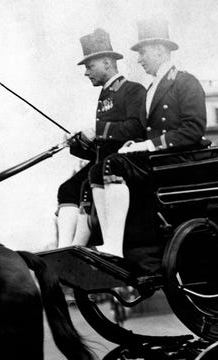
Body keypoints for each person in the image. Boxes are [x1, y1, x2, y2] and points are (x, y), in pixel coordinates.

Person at [88, 19, 207, 258]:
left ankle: (114, 246)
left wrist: (148, 144)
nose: (139, 59)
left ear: (161, 50)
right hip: (157, 160)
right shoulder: (152, 87)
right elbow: (147, 129)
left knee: (113, 165)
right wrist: (135, 144)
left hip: (177, 161)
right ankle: (110, 238)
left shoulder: (185, 82)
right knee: (97, 170)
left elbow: (193, 129)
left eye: (142, 53)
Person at [56, 28, 146, 248]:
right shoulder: (105, 95)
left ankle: (85, 246)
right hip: (104, 161)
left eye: (89, 66)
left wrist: (98, 130)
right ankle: (66, 249)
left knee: (89, 181)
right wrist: (77, 142)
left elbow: (136, 128)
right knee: (66, 189)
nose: (86, 73)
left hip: (127, 165)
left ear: (107, 62)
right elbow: (100, 147)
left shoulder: (133, 90)